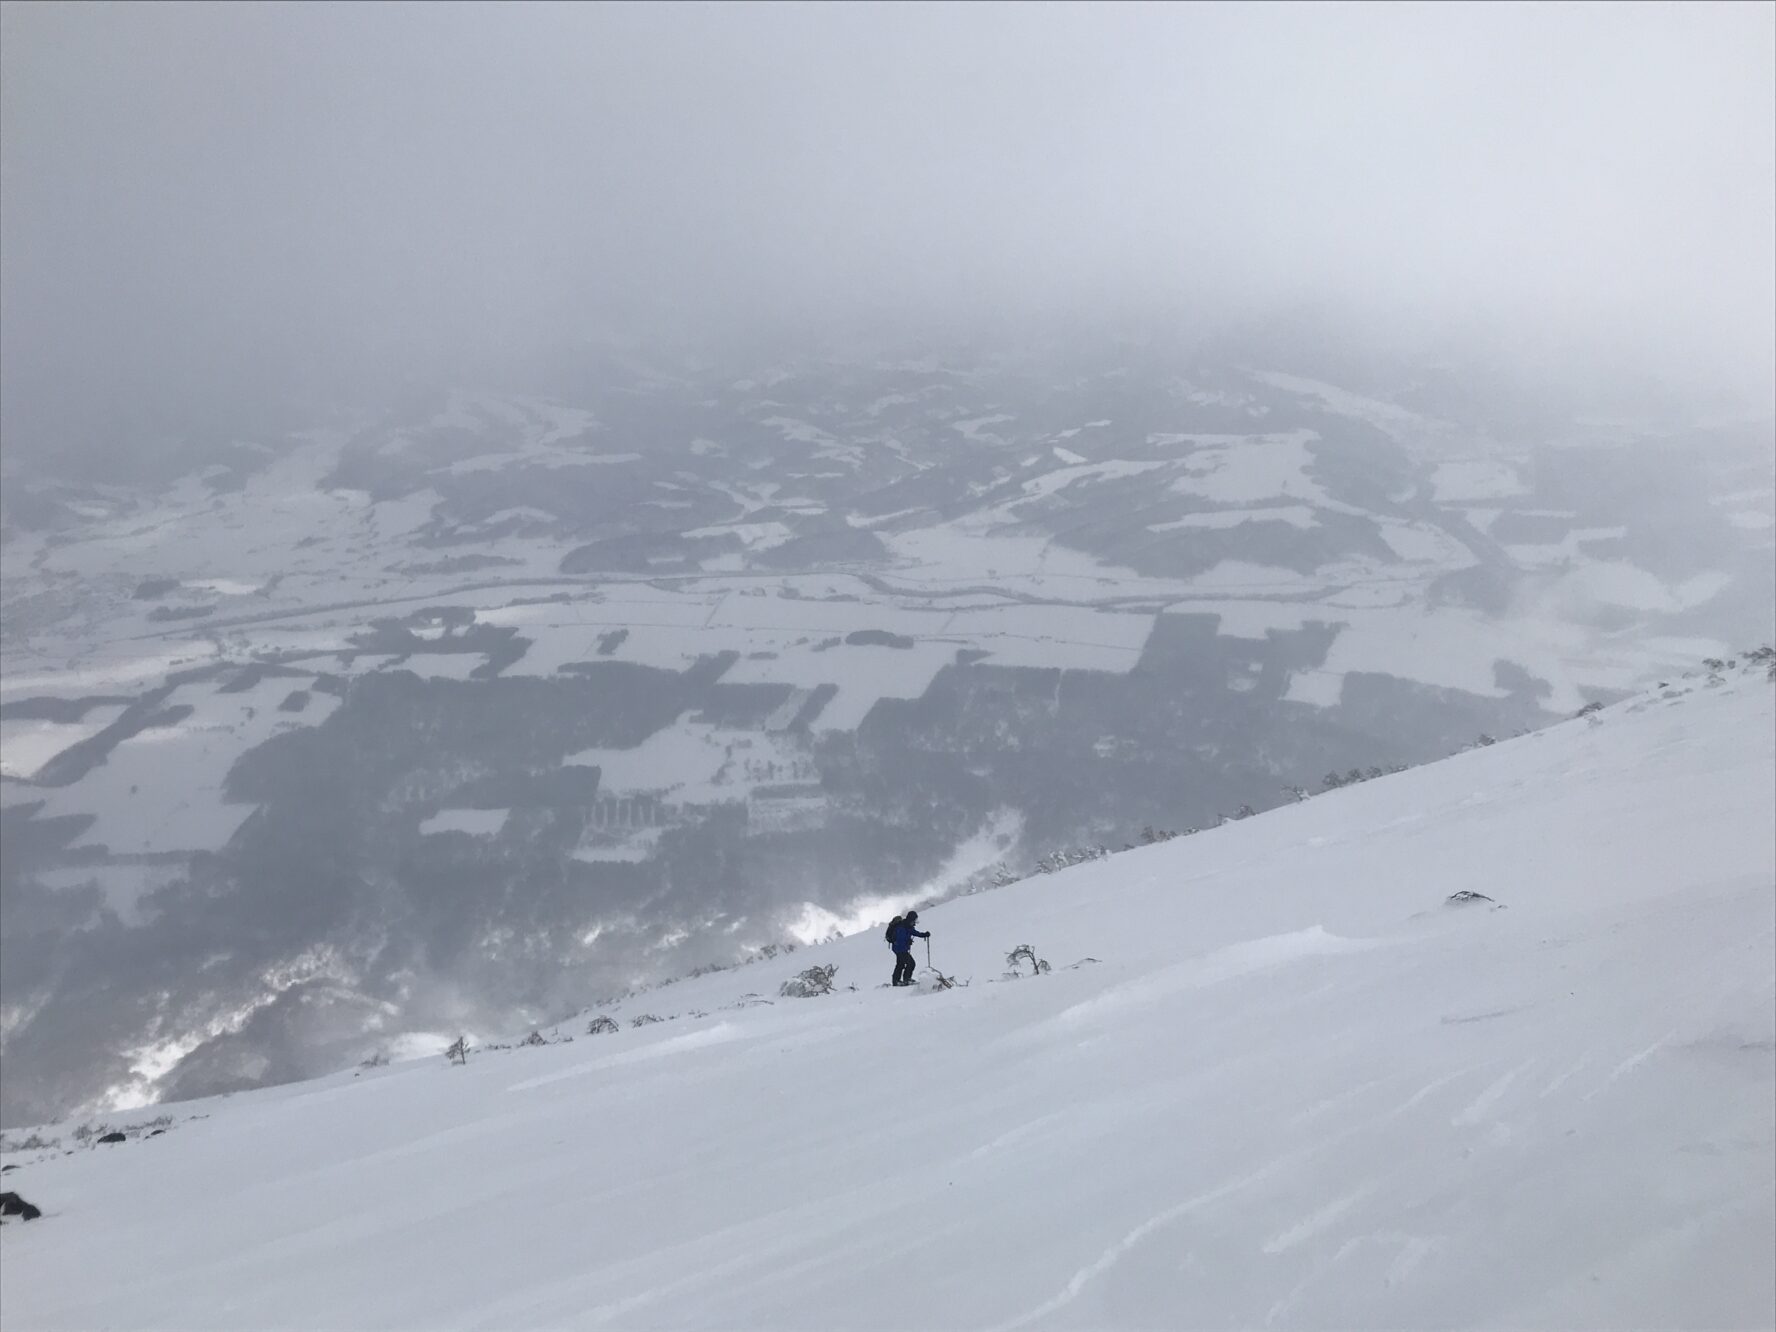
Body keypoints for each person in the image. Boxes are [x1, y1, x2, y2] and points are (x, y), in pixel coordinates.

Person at [887, 910, 930, 986]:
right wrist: (907, 941)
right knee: (911, 963)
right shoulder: (902, 927)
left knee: (900, 964)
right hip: (900, 949)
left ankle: (896, 981)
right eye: (914, 920)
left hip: (900, 949)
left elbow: (915, 933)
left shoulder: (908, 926)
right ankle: (906, 979)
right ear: (911, 919)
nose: (915, 922)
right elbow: (900, 940)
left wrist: (924, 935)